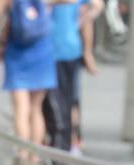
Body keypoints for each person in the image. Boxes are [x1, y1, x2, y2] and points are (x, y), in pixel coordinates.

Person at [0, 0, 58, 153]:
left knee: (21, 109)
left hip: (18, 55)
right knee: (36, 108)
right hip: (43, 52)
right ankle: (34, 156)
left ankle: (23, 156)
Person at [41, 0, 101, 156]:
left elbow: (95, 7)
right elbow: (96, 7)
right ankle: (71, 142)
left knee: (53, 102)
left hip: (54, 50)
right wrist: (87, 51)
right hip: (70, 49)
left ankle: (64, 143)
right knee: (69, 100)